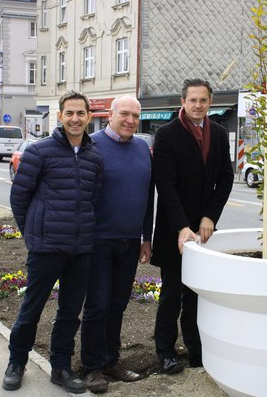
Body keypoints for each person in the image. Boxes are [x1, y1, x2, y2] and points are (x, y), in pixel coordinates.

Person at [3, 90, 104, 394]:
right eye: (69, 113)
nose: (75, 119)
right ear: (60, 116)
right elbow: (19, 197)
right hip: (46, 247)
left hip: (80, 249)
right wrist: (33, 235)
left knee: (69, 313)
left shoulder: (94, 157)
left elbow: (92, 199)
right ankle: (16, 363)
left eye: (81, 113)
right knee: (31, 309)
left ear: (89, 117)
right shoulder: (39, 152)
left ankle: (60, 368)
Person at [151, 78, 234, 374]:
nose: (198, 105)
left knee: (198, 293)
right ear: (182, 103)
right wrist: (181, 227)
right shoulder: (166, 134)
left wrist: (210, 216)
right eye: (192, 100)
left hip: (204, 230)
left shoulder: (220, 134)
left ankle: (196, 350)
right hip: (175, 229)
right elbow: (166, 184)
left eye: (203, 100)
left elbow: (225, 178)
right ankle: (165, 351)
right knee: (172, 293)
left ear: (210, 103)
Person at [80, 95, 154, 393]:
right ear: (110, 114)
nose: (130, 121)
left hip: (128, 242)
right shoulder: (92, 146)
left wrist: (146, 237)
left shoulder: (141, 149)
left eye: (135, 116)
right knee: (97, 305)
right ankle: (92, 367)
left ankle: (111, 360)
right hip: (98, 241)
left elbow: (149, 197)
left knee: (118, 305)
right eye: (124, 114)